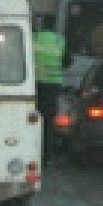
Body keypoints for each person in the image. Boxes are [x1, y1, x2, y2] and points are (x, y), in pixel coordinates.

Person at [32, 13, 68, 164]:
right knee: (48, 121)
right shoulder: (60, 41)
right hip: (52, 86)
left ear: (42, 25)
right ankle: (47, 156)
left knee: (33, 120)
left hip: (35, 85)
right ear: (54, 27)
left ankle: (33, 151)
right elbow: (67, 61)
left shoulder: (34, 38)